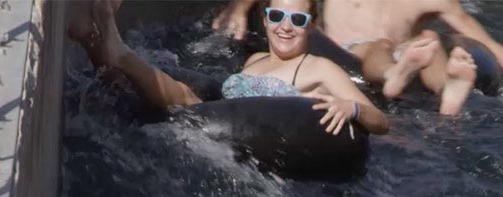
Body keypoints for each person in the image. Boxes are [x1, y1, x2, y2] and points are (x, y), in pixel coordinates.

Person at [69, 0, 388, 135]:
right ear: (264, 21)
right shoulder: (254, 61)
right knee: (131, 94)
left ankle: (119, 51)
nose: (285, 27)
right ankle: (92, 40)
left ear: (311, 27)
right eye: (277, 17)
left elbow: (381, 121)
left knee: (185, 102)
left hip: (232, 133)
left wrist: (352, 109)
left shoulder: (319, 67)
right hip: (219, 121)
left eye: (298, 20)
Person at [212, 0, 503, 115]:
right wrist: (240, 7)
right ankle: (420, 85)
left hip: (400, 58)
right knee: (378, 46)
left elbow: (484, 42)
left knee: (430, 41)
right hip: (352, 55)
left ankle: (447, 93)